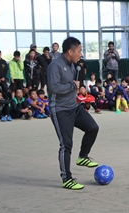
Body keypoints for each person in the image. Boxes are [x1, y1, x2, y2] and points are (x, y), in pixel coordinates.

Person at [47, 37, 99, 190]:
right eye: (79, 51)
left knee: (93, 128)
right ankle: (67, 178)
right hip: (60, 110)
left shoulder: (72, 66)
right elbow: (54, 88)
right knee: (66, 145)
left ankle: (83, 157)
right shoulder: (54, 66)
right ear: (70, 51)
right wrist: (72, 85)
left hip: (73, 107)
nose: (80, 54)